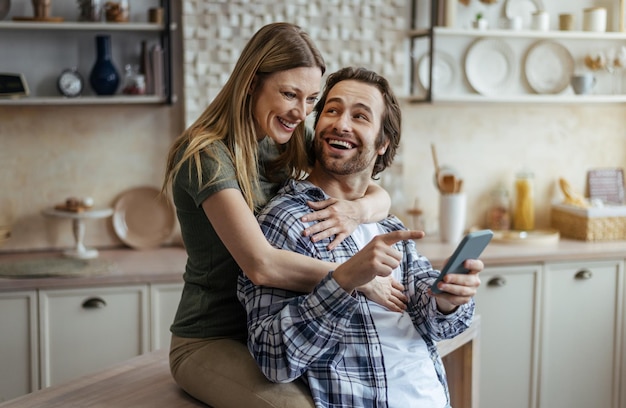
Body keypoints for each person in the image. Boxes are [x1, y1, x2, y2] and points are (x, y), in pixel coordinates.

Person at [162, 23, 411, 408]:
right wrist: (355, 280)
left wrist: (357, 210)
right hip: (212, 338)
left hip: (269, 331)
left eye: (311, 99)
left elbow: (368, 185)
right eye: (290, 94)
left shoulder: (284, 139)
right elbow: (261, 265)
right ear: (251, 83)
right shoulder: (206, 156)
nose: (301, 113)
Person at [238, 66, 483, 408]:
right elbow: (272, 357)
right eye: (332, 110)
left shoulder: (386, 222)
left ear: (383, 143)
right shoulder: (287, 220)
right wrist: (343, 281)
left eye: (360, 116)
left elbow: (436, 322)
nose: (341, 124)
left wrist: (449, 298)